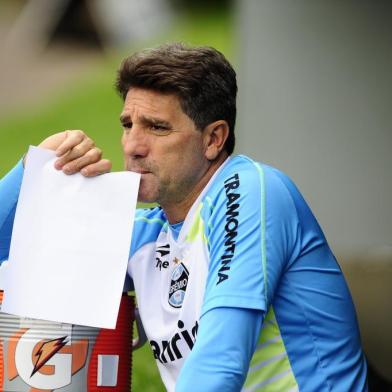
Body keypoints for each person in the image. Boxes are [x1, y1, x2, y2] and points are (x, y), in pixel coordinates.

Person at [0, 43, 367, 391]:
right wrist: (31, 169)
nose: (133, 146)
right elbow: (13, 264)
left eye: (157, 127)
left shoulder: (253, 191)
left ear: (213, 139)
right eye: (128, 124)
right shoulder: (150, 232)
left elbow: (221, 361)